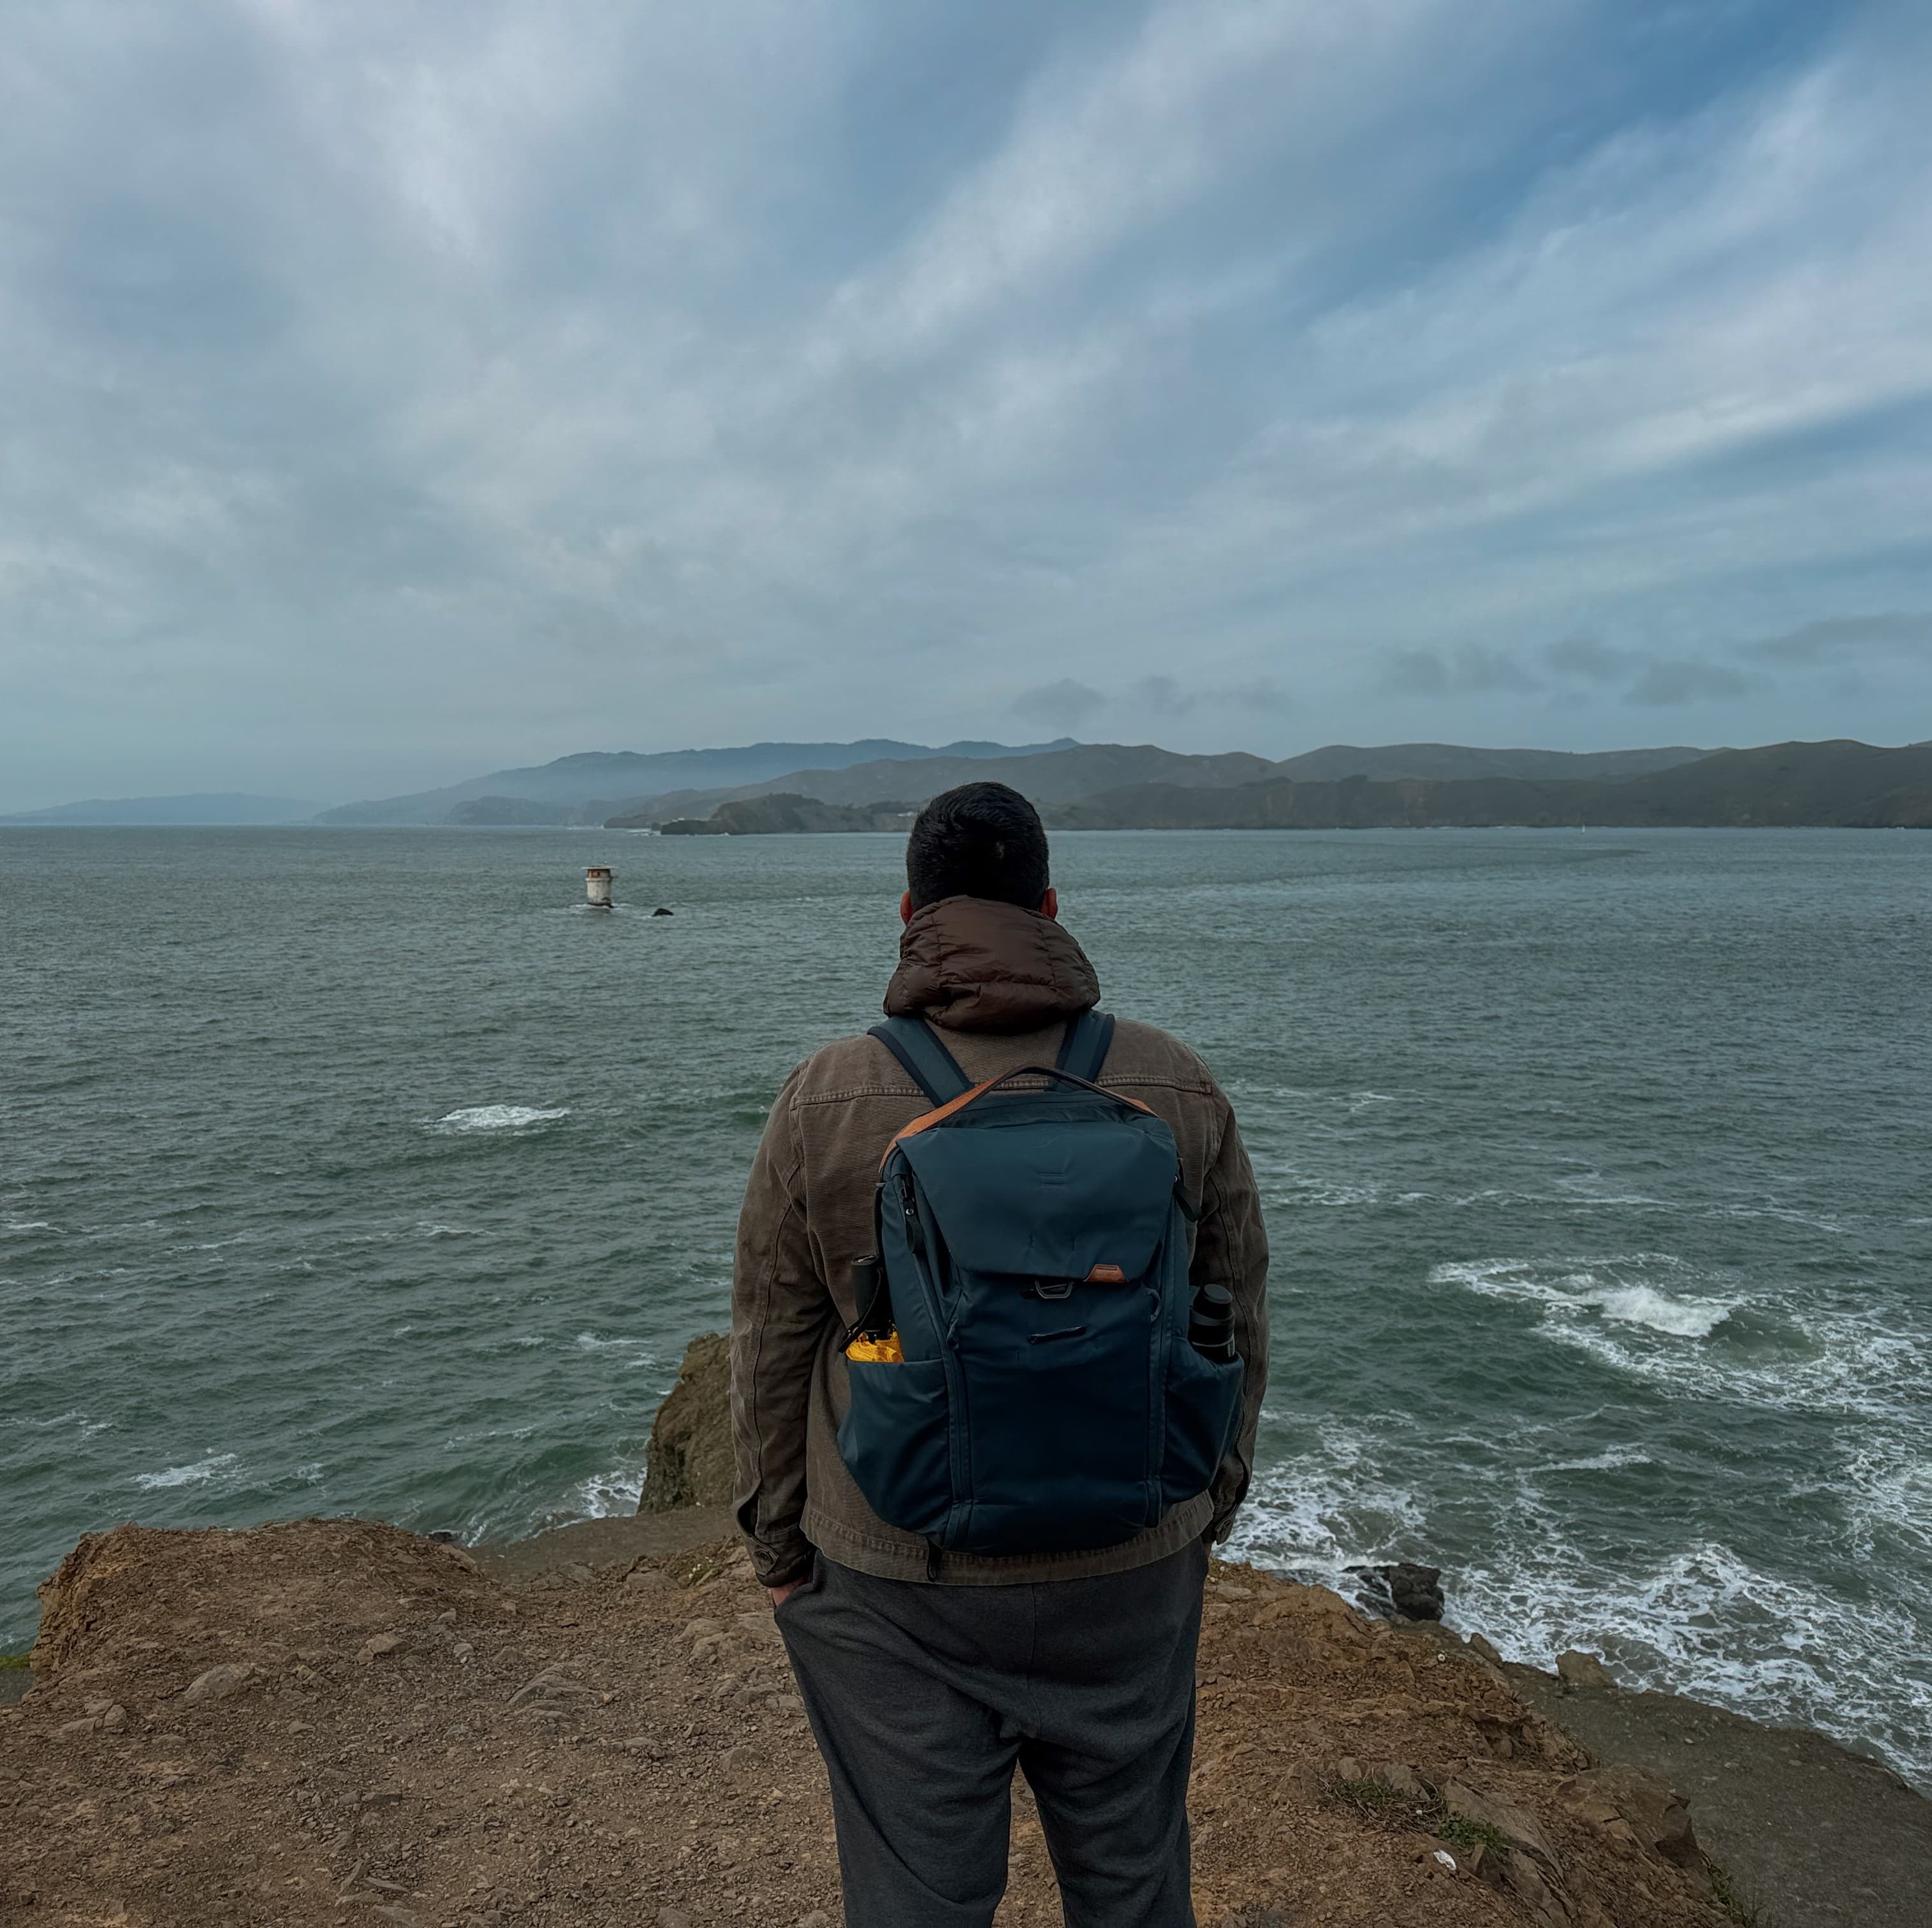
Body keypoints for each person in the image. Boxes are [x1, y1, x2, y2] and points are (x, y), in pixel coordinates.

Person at [731, 780, 1270, 1927]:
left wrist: (780, 1546)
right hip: (1128, 1562)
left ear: (908, 915)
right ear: (1051, 904)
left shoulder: (826, 1094)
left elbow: (773, 1344)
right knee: (1131, 1883)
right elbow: (1237, 1309)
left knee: (917, 1899)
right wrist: (1207, 1506)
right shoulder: (1171, 1078)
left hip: (893, 1574)